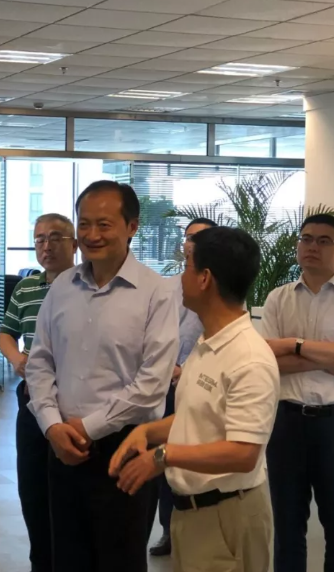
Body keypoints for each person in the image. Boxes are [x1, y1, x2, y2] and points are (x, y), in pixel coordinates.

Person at [26, 181, 179, 572]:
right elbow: (39, 361)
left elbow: (152, 385)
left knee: (120, 560)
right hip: (62, 447)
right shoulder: (62, 286)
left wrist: (87, 427)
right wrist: (51, 425)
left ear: (132, 227)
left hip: (126, 449)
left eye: (105, 224)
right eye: (85, 224)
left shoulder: (156, 293)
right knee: (67, 557)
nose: (92, 234)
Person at [110, 226, 278, 572]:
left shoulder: (249, 357)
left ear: (205, 278)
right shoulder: (208, 343)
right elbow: (198, 416)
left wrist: (163, 456)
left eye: (186, 265)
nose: (180, 278)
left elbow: (244, 453)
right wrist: (147, 432)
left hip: (227, 515)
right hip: (192, 512)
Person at [261, 214, 334, 572]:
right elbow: (266, 359)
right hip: (287, 422)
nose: (312, 246)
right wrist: (328, 360)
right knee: (287, 525)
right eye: (306, 238)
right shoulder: (278, 298)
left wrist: (291, 345)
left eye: (324, 241)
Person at [0, 213, 77, 572]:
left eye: (55, 238)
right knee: (31, 487)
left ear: (74, 244)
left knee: (67, 489)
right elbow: (6, 333)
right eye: (40, 239)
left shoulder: (86, 286)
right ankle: (40, 561)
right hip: (31, 398)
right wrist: (17, 359)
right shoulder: (26, 287)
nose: (47, 246)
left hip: (72, 402)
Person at [149, 218, 214, 558]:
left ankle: (197, 525)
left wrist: (184, 369)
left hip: (200, 384)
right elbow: (153, 336)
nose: (192, 243)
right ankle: (167, 529)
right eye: (189, 237)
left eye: (201, 238)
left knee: (193, 455)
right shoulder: (166, 287)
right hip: (164, 384)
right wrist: (167, 369)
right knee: (165, 459)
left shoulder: (222, 286)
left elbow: (218, 339)